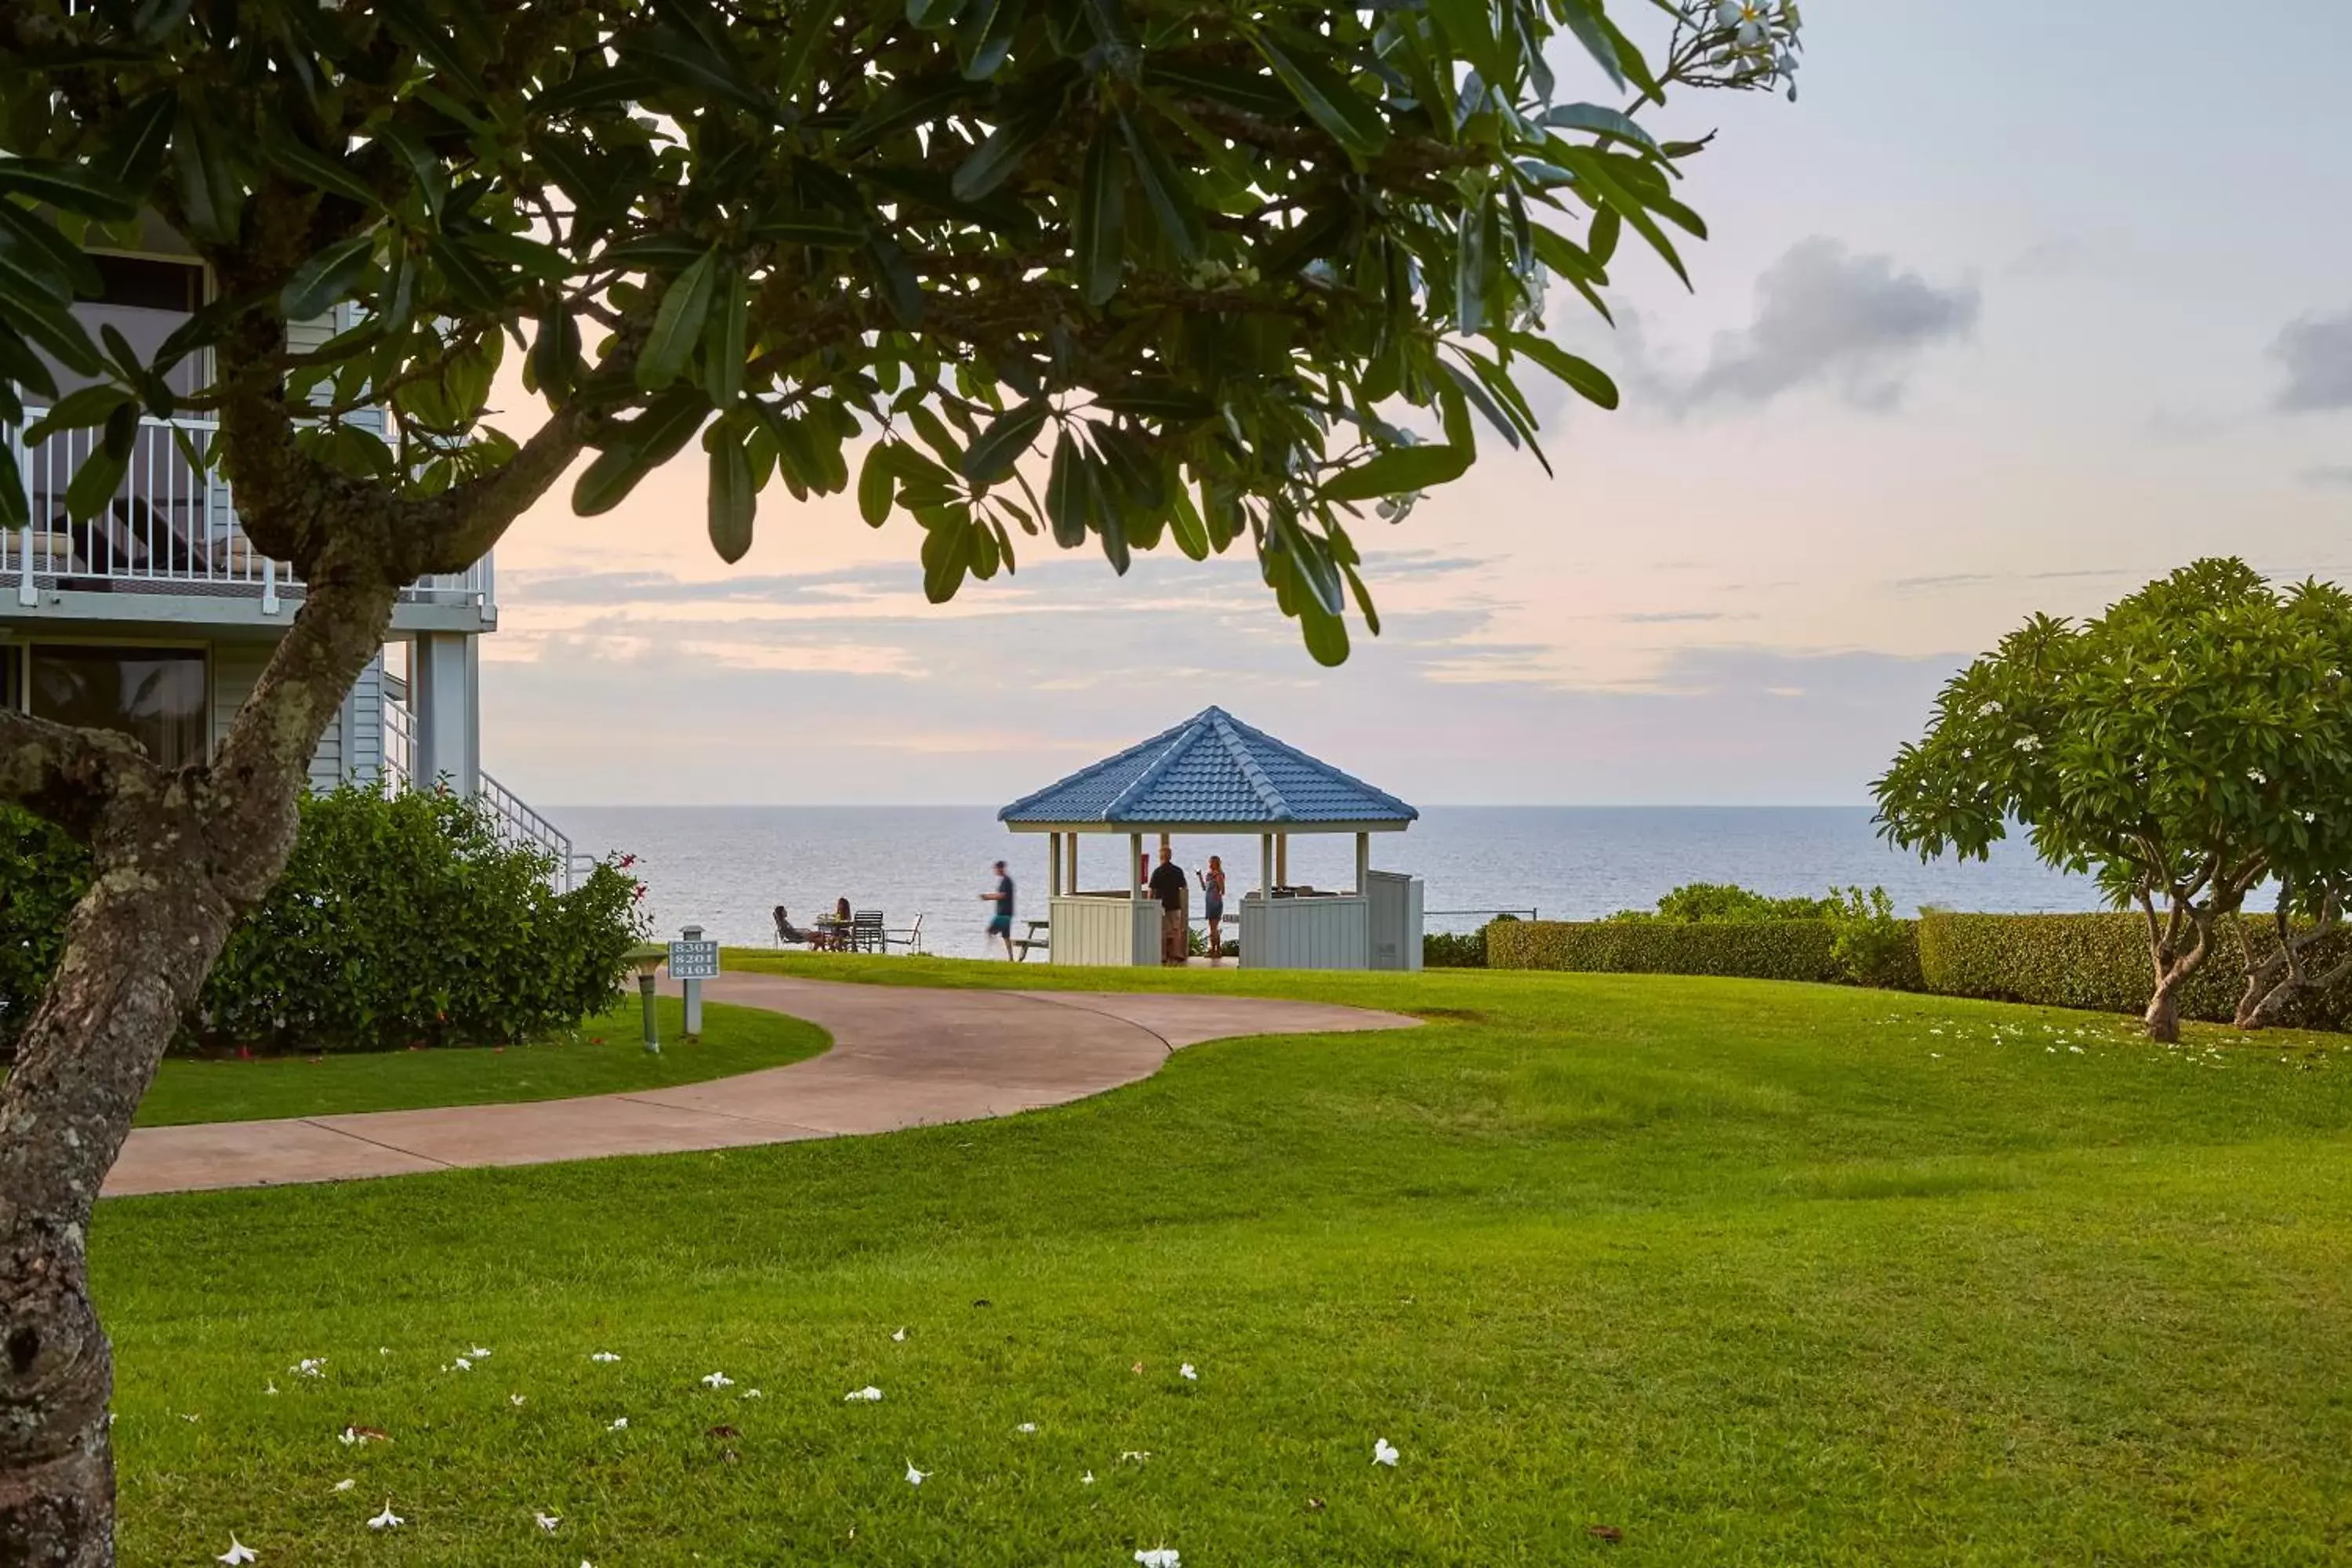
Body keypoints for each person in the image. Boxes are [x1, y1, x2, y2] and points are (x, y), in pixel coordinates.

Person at [1148, 846, 1189, 965]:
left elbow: (1151, 890)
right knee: (1177, 930)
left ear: (1161, 857)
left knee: (1162, 931)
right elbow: (1184, 887)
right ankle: (1177, 953)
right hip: (1175, 904)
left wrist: (1149, 903)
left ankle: (1163, 955)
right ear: (1170, 857)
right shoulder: (1178, 871)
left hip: (1161, 905)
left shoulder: (1157, 872)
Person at [980, 860, 1016, 960]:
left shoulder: (1006, 881)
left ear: (1001, 868)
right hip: (1007, 913)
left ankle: (993, 953)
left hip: (1003, 914)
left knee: (990, 932)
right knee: (1006, 936)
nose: (995, 871)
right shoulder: (1005, 880)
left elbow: (1002, 895)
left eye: (996, 869)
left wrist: (988, 897)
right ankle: (1010, 957)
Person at [1199, 855, 1228, 962]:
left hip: (1215, 903)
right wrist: (1200, 876)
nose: (1210, 865)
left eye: (1212, 863)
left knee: (1214, 928)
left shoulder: (1219, 875)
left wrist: (1218, 882)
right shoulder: (1209, 875)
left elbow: (1223, 890)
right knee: (1212, 928)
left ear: (1217, 864)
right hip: (1209, 902)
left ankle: (1217, 950)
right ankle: (1214, 949)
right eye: (1210, 862)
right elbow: (1204, 888)